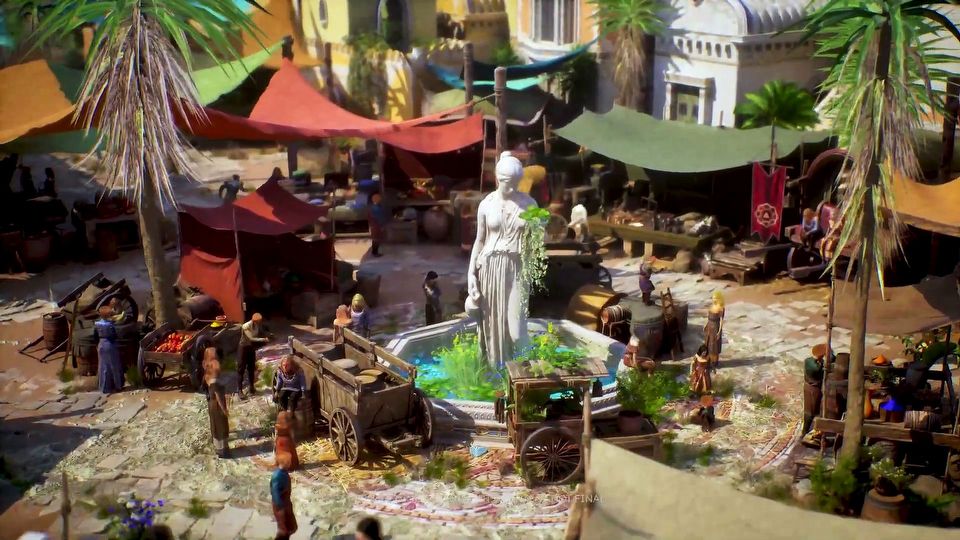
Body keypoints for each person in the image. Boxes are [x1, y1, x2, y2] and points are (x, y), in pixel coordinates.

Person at [466, 151, 537, 369]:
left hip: (517, 268)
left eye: (516, 183)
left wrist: (539, 229)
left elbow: (536, 241)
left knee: (517, 331)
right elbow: (479, 241)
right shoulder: (486, 204)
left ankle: (531, 372)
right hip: (489, 268)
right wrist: (471, 274)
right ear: (498, 179)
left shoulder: (529, 204)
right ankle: (497, 372)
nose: (513, 188)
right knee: (491, 325)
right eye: (508, 183)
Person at [237, 313, 270, 398]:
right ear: (255, 320)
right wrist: (263, 339)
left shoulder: (257, 325)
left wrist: (268, 335)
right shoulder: (246, 326)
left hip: (251, 348)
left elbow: (261, 332)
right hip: (243, 348)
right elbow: (251, 338)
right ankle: (239, 390)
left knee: (251, 368)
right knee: (241, 369)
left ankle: (251, 387)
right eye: (259, 321)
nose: (260, 322)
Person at [94, 306, 124, 394]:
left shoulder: (97, 324)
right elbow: (115, 335)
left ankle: (104, 387)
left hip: (101, 345)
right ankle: (118, 386)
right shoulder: (110, 325)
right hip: (110, 345)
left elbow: (95, 336)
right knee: (114, 365)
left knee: (103, 366)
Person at [205, 360, 230, 458]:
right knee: (221, 427)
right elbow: (219, 397)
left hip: (212, 405)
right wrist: (224, 410)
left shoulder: (209, 378)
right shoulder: (215, 382)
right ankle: (223, 451)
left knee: (215, 426)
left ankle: (219, 449)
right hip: (217, 407)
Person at [271, 452, 297, 540]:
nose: (290, 463)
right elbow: (275, 494)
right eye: (289, 461)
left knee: (289, 528)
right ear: (284, 462)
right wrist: (281, 509)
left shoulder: (283, 473)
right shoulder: (278, 476)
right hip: (281, 507)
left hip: (285, 504)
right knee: (284, 531)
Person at [803, 344, 827, 435]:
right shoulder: (814, 366)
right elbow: (818, 369)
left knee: (815, 408)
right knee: (810, 411)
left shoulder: (808, 360)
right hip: (812, 389)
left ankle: (810, 427)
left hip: (814, 388)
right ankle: (805, 431)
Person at [704, 291, 725, 368]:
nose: (713, 299)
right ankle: (709, 360)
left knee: (714, 345)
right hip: (709, 325)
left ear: (719, 298)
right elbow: (709, 317)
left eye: (715, 298)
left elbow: (722, 321)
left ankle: (714, 362)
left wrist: (719, 331)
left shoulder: (721, 308)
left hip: (715, 326)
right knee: (708, 343)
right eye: (713, 298)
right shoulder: (712, 305)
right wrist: (706, 324)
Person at [368, 193, 389, 257]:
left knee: (376, 239)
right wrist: (382, 225)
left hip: (375, 225)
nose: (380, 199)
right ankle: (375, 252)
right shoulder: (375, 208)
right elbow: (379, 218)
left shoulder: (374, 207)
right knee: (376, 239)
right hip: (376, 225)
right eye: (378, 198)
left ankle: (374, 252)